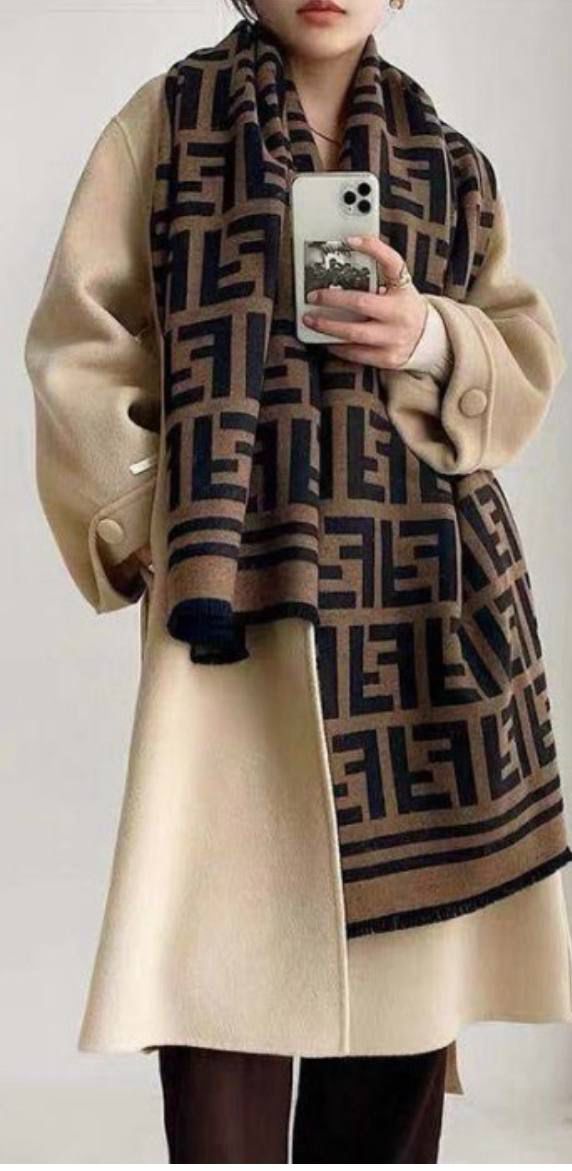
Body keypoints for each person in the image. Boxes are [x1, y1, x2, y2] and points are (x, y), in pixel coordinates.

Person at [24, 0, 572, 1162]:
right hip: (239, 615)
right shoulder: (167, 125)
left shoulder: (447, 159)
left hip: (415, 620)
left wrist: (427, 336)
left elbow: (521, 356)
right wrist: (153, 521)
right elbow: (79, 345)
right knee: (217, 978)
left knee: (398, 1011)